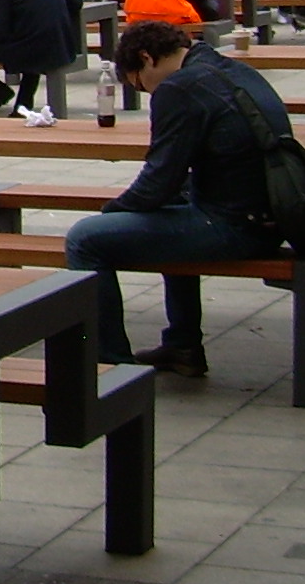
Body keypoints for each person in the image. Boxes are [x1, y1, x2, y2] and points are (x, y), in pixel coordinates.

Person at [64, 23, 292, 375]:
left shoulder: (179, 88)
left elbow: (157, 181)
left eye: (139, 84)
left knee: (85, 240)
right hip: (271, 215)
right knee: (168, 208)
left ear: (146, 58)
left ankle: (112, 366)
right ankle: (182, 345)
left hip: (235, 226)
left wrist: (109, 213)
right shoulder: (226, 67)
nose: (146, 93)